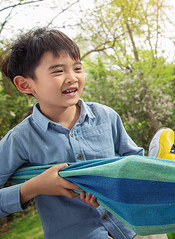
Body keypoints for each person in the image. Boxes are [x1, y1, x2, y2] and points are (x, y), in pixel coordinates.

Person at [0, 27, 165, 239]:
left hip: (136, 227)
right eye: (58, 71)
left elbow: (134, 164)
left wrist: (115, 189)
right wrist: (34, 187)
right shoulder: (21, 139)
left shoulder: (106, 116)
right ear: (25, 84)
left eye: (77, 68)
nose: (72, 78)